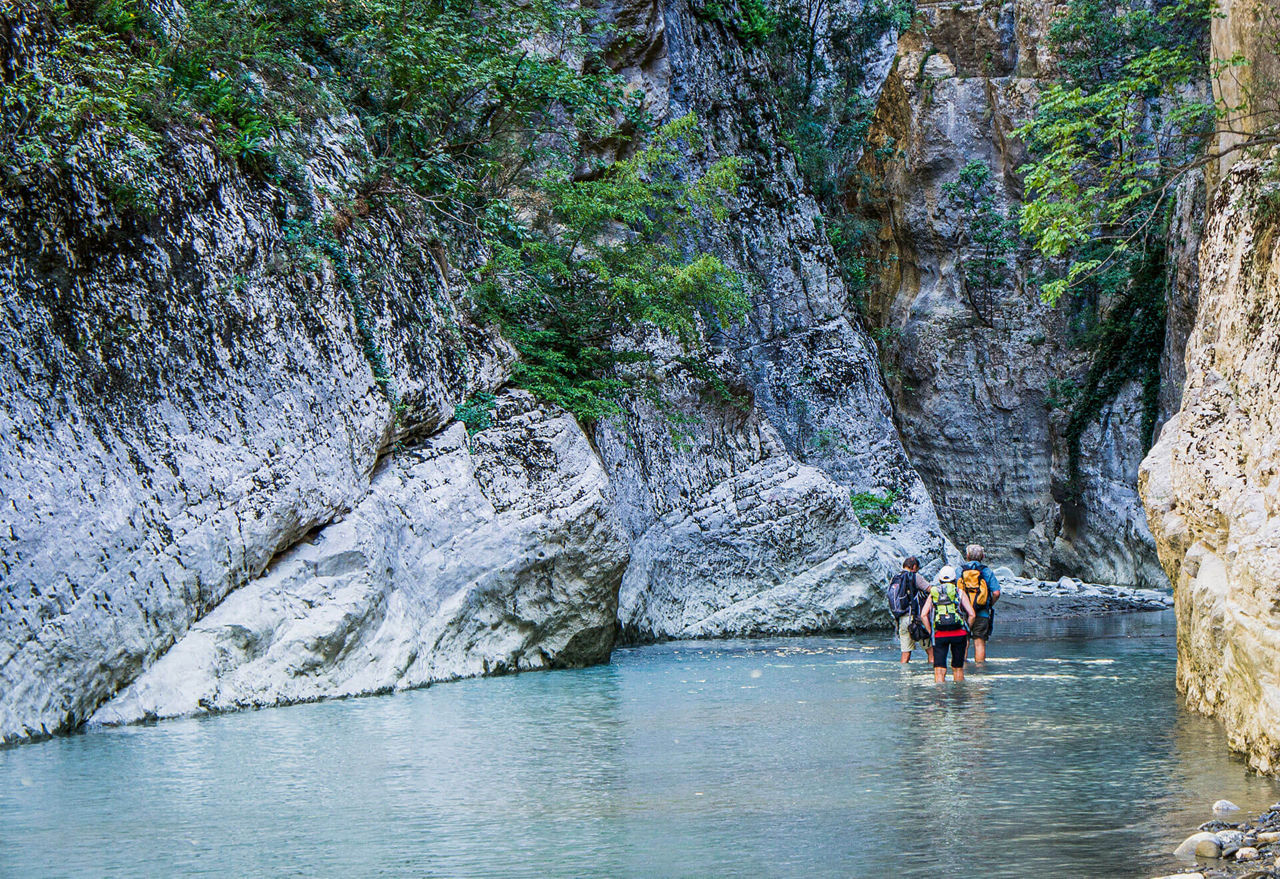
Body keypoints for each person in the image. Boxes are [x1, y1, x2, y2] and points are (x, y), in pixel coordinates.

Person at [919, 565, 976, 682]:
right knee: (958, 668)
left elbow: (923, 615)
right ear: (954, 579)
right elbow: (972, 614)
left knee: (939, 669)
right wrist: (966, 629)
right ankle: (958, 696)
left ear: (939, 580)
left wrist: (931, 631)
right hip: (959, 634)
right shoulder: (959, 592)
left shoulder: (934, 593)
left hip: (940, 634)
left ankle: (940, 697)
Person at [958, 544, 1000, 663]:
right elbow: (996, 593)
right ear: (983, 556)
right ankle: (980, 671)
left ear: (967, 556)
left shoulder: (960, 570)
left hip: (963, 612)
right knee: (979, 642)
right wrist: (989, 604)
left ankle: (962, 669)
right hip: (982, 612)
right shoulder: (987, 571)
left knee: (963, 640)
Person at [887, 557, 933, 664]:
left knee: (905, 653)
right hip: (916, 620)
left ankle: (904, 676)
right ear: (914, 567)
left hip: (902, 619)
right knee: (931, 652)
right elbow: (931, 590)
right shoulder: (915, 577)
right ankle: (933, 676)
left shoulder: (894, 578)